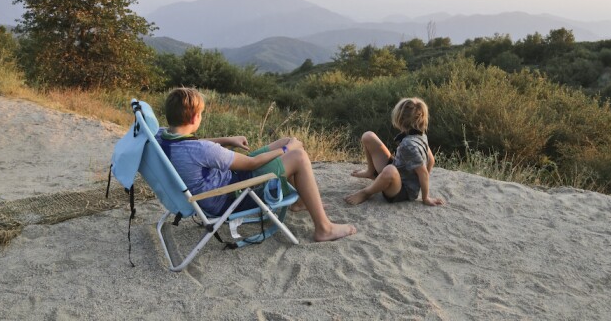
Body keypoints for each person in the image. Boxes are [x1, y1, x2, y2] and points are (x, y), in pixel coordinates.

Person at [162, 87, 356, 242]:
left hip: (223, 187)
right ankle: (324, 228)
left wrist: (228, 139)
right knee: (298, 155)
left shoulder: (163, 138)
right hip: (233, 195)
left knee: (285, 140)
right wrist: (287, 151)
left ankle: (300, 202)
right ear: (195, 118)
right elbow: (252, 164)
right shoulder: (201, 150)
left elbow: (191, 144)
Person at [345, 97, 446, 207]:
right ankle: (371, 171)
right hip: (397, 171)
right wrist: (417, 179)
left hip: (401, 190)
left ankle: (366, 193)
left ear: (400, 119)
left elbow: (423, 173)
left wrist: (425, 197)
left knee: (390, 170)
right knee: (368, 136)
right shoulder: (421, 135)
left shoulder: (408, 145)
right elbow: (431, 161)